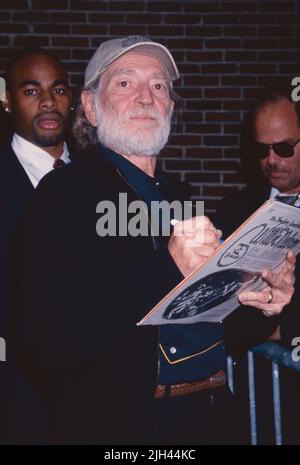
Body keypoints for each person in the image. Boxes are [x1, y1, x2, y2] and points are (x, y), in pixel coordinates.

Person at [14, 36, 295, 445]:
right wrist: (166, 267)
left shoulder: (181, 197)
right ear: (91, 107)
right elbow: (49, 345)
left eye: (159, 86)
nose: (146, 97)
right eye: (125, 84)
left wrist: (262, 302)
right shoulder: (62, 196)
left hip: (212, 416)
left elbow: (207, 328)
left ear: (171, 108)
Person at [0, 47, 72, 443]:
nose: (48, 102)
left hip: (95, 399)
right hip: (17, 397)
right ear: (7, 100)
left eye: (58, 90)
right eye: (31, 91)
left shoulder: (102, 179)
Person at [215, 81, 300, 353]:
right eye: (262, 150)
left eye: (284, 148)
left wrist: (284, 329)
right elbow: (218, 311)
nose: (271, 160)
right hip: (256, 387)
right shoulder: (234, 211)